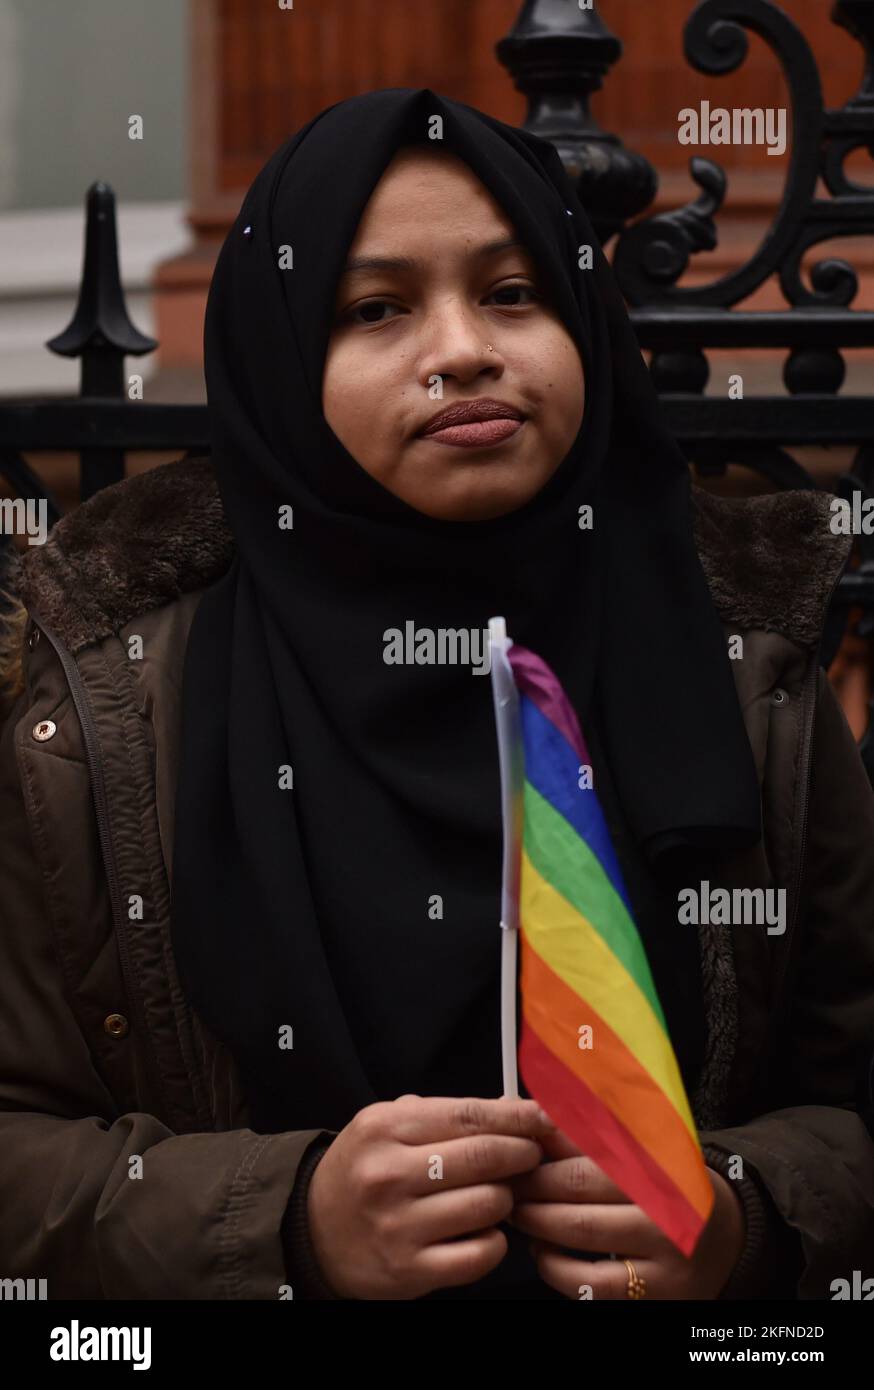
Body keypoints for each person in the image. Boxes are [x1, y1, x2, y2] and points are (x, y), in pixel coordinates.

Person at [0, 87, 872, 1302]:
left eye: (512, 293)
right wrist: (287, 1224)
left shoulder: (751, 667)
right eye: (376, 308)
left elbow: (848, 1105)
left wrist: (739, 1220)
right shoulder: (106, 708)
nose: (463, 347)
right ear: (281, 360)